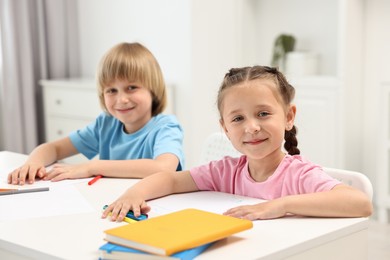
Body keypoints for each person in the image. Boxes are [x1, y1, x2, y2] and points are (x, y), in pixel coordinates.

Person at [102, 65, 372, 222]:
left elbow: (360, 203)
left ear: (289, 117)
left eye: (263, 114)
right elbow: (171, 180)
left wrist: (280, 204)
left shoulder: (299, 174)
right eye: (238, 118)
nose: (251, 127)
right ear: (225, 128)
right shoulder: (225, 171)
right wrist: (134, 194)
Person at [8, 42, 184, 185]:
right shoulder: (106, 124)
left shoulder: (166, 126)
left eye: (132, 88)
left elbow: (164, 168)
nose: (121, 99)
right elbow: (54, 148)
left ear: (153, 89)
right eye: (111, 91)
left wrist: (93, 166)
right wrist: (33, 163)